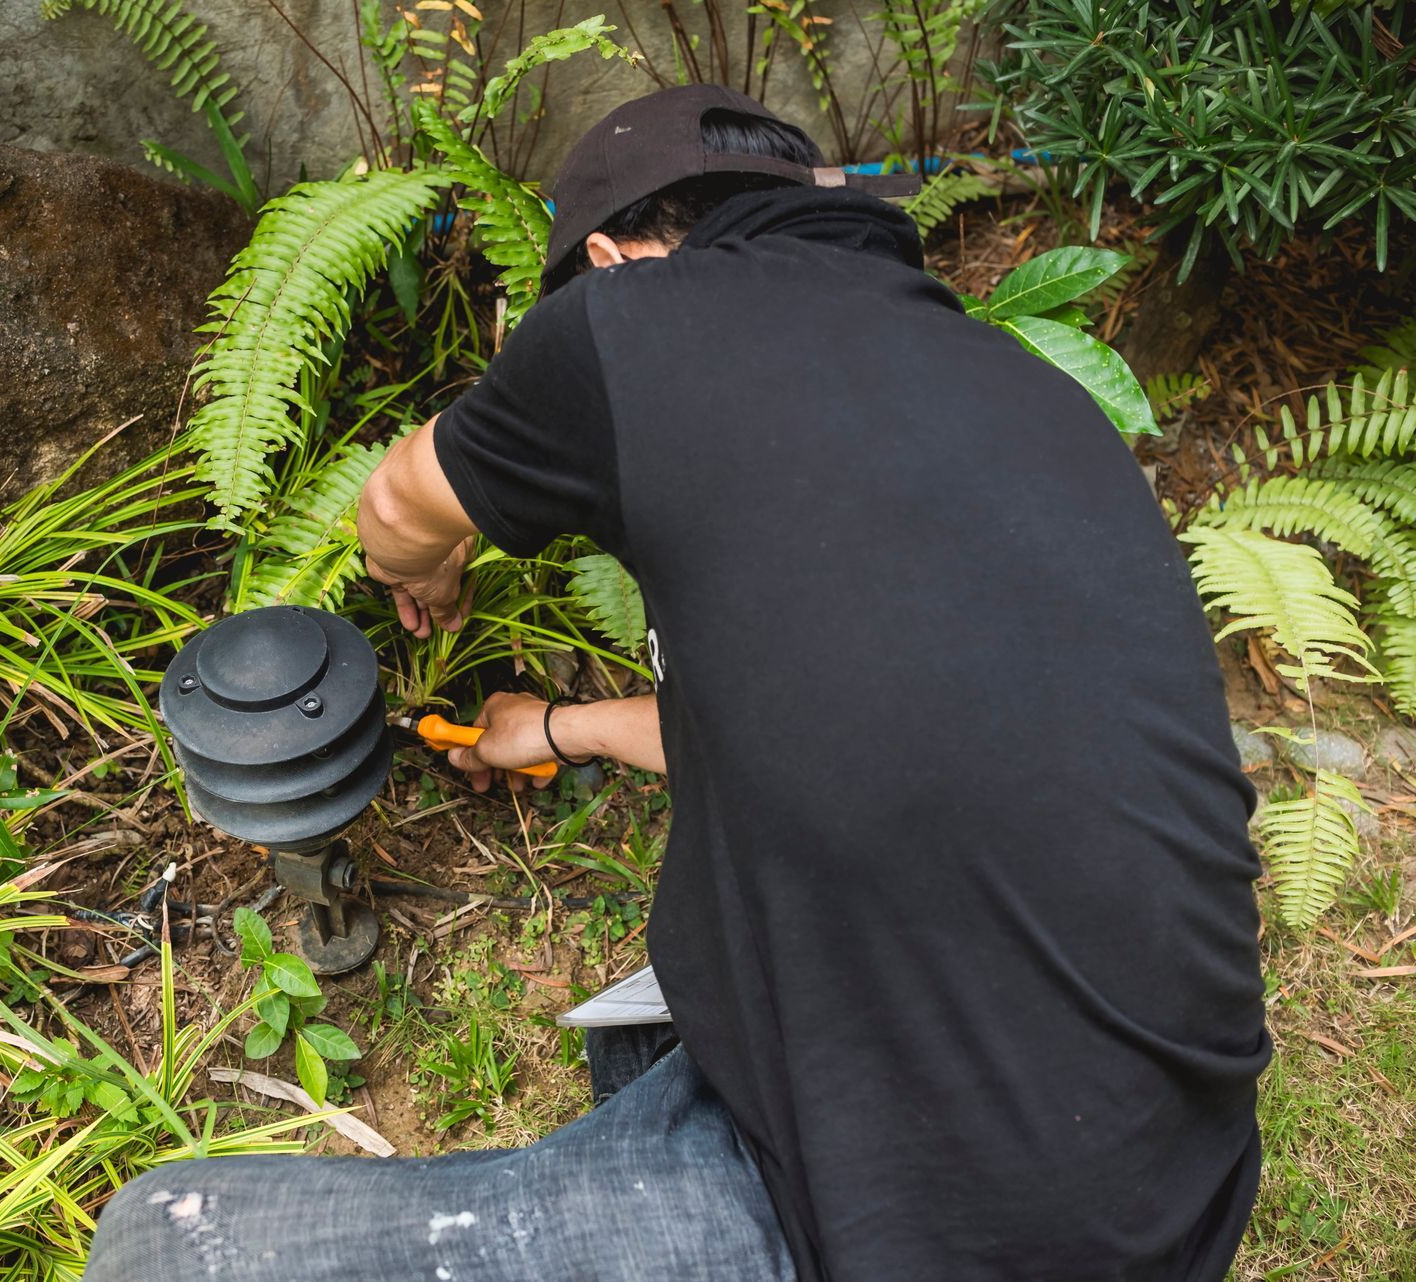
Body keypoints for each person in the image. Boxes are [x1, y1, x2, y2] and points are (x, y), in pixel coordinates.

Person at [84, 84, 1271, 1282]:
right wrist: (553, 726)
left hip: (935, 1226)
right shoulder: (1018, 393)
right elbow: (846, 722)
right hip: (1173, 1172)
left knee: (156, 1245)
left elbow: (392, 507)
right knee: (678, 992)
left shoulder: (636, 322)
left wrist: (435, 564)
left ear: (611, 261)